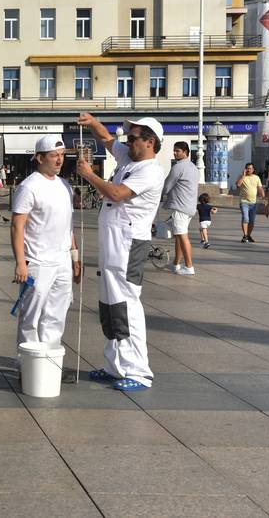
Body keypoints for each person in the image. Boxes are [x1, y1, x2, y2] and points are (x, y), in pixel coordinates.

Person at [76, 113, 165, 392]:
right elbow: (106, 138)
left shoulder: (150, 170)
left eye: (134, 137)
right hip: (113, 242)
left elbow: (116, 193)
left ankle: (139, 371)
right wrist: (92, 122)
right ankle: (116, 365)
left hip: (129, 244)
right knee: (110, 304)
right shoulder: (129, 157)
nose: (127, 142)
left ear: (150, 142)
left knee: (126, 304)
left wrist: (89, 175)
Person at [10, 135, 80, 350]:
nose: (59, 160)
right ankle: (27, 366)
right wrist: (21, 263)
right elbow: (17, 226)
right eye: (54, 156)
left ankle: (48, 361)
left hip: (61, 262)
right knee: (31, 316)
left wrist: (74, 258)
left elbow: (67, 225)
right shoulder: (29, 187)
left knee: (56, 315)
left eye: (61, 156)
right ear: (39, 158)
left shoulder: (65, 185)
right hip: (37, 262)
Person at [162, 141, 199, 275]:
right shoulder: (193, 167)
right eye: (174, 150)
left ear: (185, 152)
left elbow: (167, 185)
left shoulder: (178, 167)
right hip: (189, 206)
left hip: (180, 206)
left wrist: (158, 196)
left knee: (182, 236)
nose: (175, 152)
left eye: (177, 150)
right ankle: (176, 264)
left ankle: (189, 266)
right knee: (179, 235)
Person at [236, 163, 264, 243]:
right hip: (244, 202)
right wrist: (243, 176)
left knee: (251, 221)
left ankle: (248, 235)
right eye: (247, 168)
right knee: (246, 218)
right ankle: (245, 235)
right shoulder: (241, 177)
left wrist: (263, 197)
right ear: (245, 169)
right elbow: (238, 185)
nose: (249, 170)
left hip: (253, 203)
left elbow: (260, 188)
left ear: (253, 169)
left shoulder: (256, 178)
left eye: (250, 168)